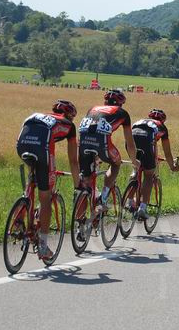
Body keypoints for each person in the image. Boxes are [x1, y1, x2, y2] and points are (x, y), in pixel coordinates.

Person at [16, 100, 81, 259]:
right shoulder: (69, 126)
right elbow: (73, 160)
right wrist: (77, 184)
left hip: (22, 144)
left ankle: (18, 220)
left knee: (32, 179)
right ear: (69, 116)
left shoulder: (40, 115)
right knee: (45, 197)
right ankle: (43, 247)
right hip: (42, 148)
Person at [78, 89, 139, 213]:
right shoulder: (122, 113)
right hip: (102, 142)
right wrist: (134, 161)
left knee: (86, 181)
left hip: (83, 142)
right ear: (121, 103)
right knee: (116, 163)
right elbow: (130, 142)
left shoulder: (93, 109)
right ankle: (103, 199)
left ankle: (80, 223)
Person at [131, 109, 179, 220]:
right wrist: (172, 166)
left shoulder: (140, 121)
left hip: (132, 138)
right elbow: (167, 152)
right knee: (148, 175)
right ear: (163, 120)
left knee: (136, 166)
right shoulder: (161, 126)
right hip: (147, 141)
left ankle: (129, 201)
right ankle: (142, 208)